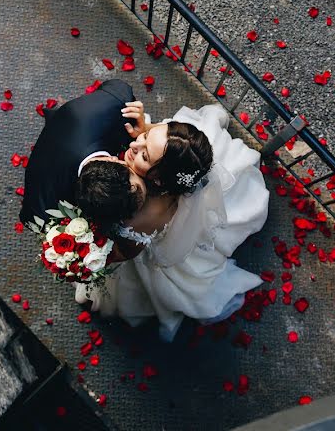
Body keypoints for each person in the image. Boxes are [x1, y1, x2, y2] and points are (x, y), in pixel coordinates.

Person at [77, 103, 270, 342]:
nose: (134, 145)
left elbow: (125, 252)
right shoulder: (179, 155)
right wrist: (145, 129)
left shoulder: (141, 216)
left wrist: (85, 253)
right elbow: (156, 137)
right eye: (146, 138)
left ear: (158, 182)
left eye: (145, 155)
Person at [19, 79, 146, 229]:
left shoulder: (117, 101)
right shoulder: (45, 207)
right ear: (115, 158)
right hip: (58, 140)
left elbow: (115, 85)